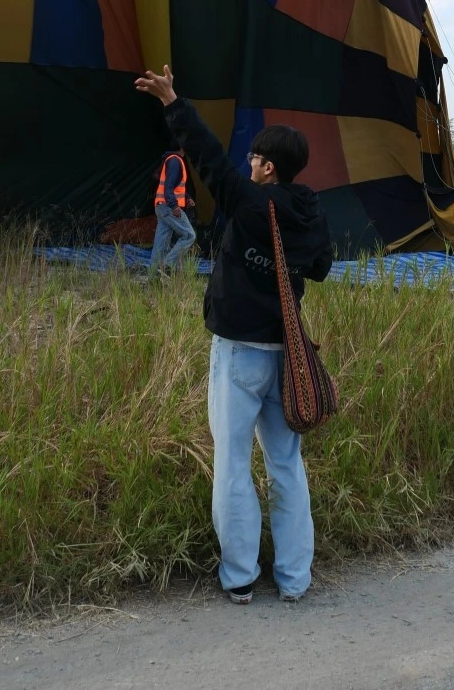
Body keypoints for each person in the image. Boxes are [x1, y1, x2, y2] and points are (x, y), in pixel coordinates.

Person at [135, 65, 333, 606]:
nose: (247, 163)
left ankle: (241, 575)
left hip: (240, 353)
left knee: (232, 464)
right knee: (286, 465)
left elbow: (206, 156)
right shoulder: (311, 211)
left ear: (268, 166)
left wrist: (173, 102)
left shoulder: (248, 201)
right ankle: (294, 578)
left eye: (254, 158)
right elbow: (319, 268)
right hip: (287, 358)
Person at [149, 147, 198, 275]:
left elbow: (174, 186)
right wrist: (174, 205)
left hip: (161, 206)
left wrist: (187, 197)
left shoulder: (170, 159)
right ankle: (167, 266)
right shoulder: (175, 161)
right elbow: (168, 187)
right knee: (189, 235)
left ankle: (153, 277)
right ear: (182, 147)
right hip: (169, 207)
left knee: (160, 244)